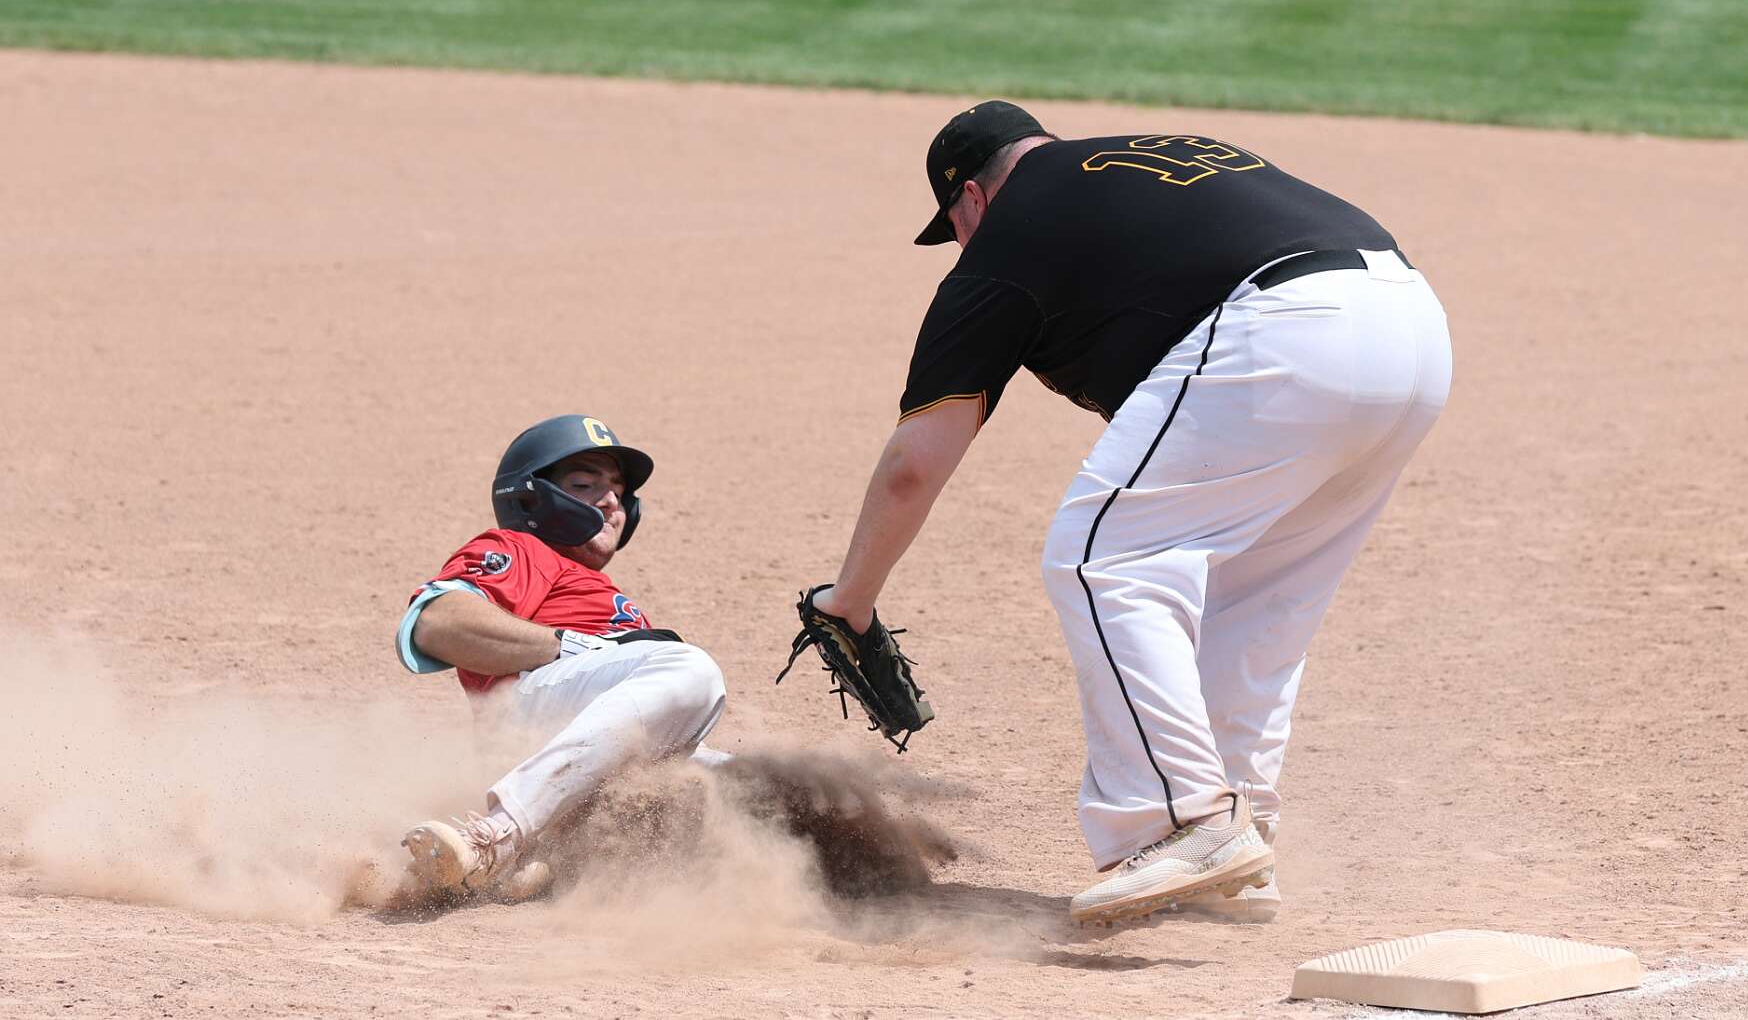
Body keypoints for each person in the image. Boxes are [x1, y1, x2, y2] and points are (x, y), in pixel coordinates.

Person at [806, 102, 1452, 924]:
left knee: (1100, 558)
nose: (963, 244)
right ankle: (1241, 845)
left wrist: (851, 600)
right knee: (1255, 597)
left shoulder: (1010, 234)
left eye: (956, 227)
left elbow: (912, 467)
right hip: (1413, 326)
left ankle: (1184, 822)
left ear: (971, 196)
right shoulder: (1139, 168)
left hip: (1286, 331)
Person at [394, 414, 727, 899]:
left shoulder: (603, 591)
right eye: (585, 485)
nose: (611, 501)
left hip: (598, 756)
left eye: (618, 491)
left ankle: (549, 861)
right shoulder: (520, 549)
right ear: (532, 497)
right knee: (691, 670)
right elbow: (438, 623)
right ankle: (494, 838)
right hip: (529, 720)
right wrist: (570, 645)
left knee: (762, 785)